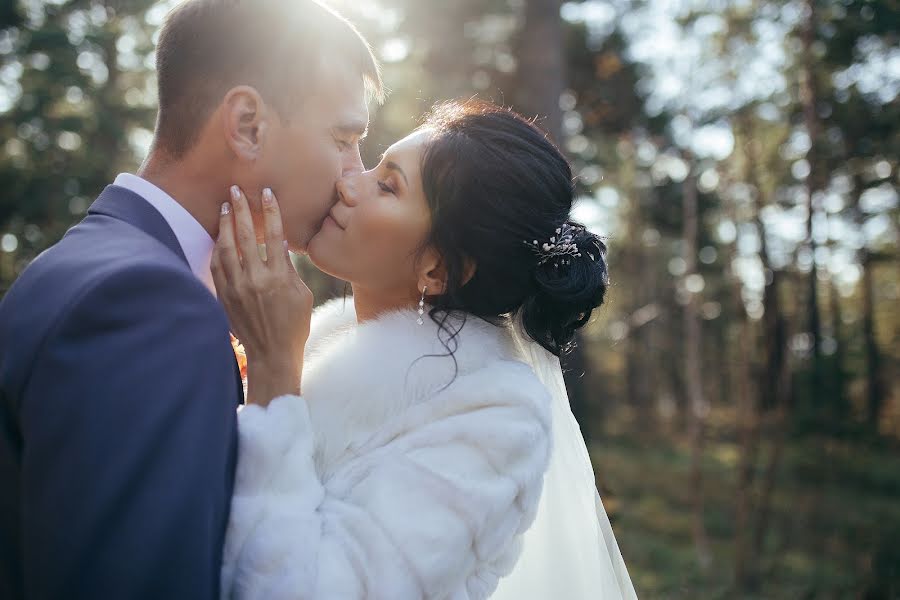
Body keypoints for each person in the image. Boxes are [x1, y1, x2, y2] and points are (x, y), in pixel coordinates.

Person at [0, 1, 382, 597]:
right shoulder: (147, 305)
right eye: (343, 139)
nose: (353, 175)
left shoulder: (97, 266)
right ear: (248, 124)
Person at [216, 100, 638, 599]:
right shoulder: (317, 341)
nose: (348, 182)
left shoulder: (493, 420)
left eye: (387, 185)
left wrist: (274, 370)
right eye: (374, 165)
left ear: (438, 270)